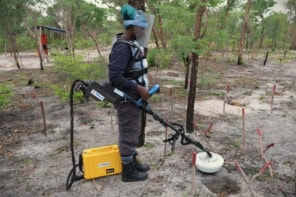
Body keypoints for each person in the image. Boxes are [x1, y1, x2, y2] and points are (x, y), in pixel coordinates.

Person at [108, 4, 154, 182]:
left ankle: (132, 162)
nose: (144, 30)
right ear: (132, 27)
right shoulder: (122, 47)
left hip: (134, 98)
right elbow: (115, 78)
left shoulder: (132, 43)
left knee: (133, 131)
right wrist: (138, 88)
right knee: (128, 133)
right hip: (126, 99)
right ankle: (128, 172)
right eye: (142, 27)